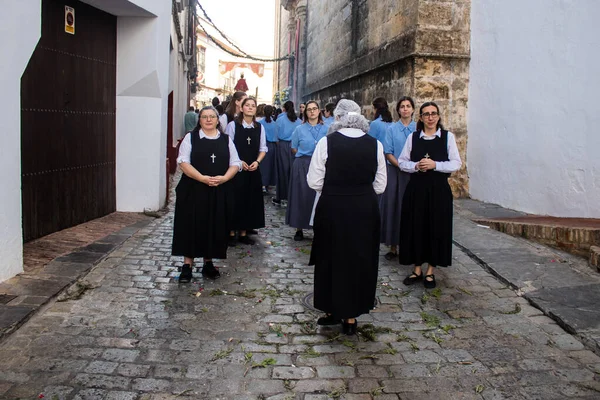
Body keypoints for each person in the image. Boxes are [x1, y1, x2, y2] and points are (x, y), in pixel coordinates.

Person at [307, 99, 387, 335]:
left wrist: (334, 189)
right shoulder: (376, 145)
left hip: (333, 205)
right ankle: (351, 317)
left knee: (331, 256)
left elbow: (314, 181)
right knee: (359, 258)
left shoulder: (326, 142)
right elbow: (380, 185)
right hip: (364, 208)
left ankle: (332, 309)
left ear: (338, 118)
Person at [172, 106, 241, 282]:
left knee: (213, 225)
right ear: (200, 120)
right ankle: (187, 264)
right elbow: (183, 162)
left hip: (218, 189)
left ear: (218, 120)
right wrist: (202, 178)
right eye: (204, 117)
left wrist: (224, 178)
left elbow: (235, 163)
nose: (208, 120)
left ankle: (208, 262)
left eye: (212, 117)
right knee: (191, 225)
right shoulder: (191, 138)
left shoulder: (226, 140)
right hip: (194, 190)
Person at [398, 101, 462, 289]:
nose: (430, 117)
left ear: (439, 116)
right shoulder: (413, 137)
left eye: (433, 113)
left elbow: (456, 163)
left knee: (436, 227)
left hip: (438, 190)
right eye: (426, 114)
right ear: (421, 118)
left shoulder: (447, 137)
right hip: (417, 189)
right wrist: (416, 165)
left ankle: (430, 271)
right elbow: (402, 161)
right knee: (416, 227)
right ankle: (417, 268)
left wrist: (436, 165)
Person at [226, 97, 267, 246]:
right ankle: (231, 232)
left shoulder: (259, 127)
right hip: (236, 169)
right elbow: (228, 146)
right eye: (247, 105)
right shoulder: (232, 126)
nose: (250, 108)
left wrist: (257, 162)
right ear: (241, 108)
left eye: (253, 106)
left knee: (249, 199)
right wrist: (238, 162)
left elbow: (263, 148)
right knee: (235, 199)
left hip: (252, 169)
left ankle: (243, 232)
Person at [380, 96, 416, 260]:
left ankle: (411, 245)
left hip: (415, 173)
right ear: (398, 110)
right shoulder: (392, 129)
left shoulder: (418, 129)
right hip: (395, 172)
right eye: (402, 106)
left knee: (412, 209)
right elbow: (388, 152)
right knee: (394, 207)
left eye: (408, 106)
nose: (405, 109)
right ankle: (393, 246)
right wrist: (401, 165)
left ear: (413, 109)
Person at [286, 101, 327, 241]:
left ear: (319, 111)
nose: (312, 112)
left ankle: (318, 227)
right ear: (305, 113)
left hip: (321, 165)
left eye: (314, 109)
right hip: (303, 163)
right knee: (301, 195)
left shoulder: (327, 129)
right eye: (309, 109)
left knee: (318, 196)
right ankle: (299, 228)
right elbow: (294, 147)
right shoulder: (299, 129)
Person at [273, 101, 301, 206]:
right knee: (293, 171)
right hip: (296, 146)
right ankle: (294, 195)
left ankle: (282, 196)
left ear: (284, 108)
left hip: (283, 146)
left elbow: (276, 138)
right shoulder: (299, 120)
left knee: (282, 171)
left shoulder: (280, 120)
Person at [259, 105, 277, 194]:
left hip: (263, 145)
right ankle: (268, 184)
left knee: (263, 166)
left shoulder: (260, 123)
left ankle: (263, 184)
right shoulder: (275, 124)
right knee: (271, 166)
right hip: (273, 146)